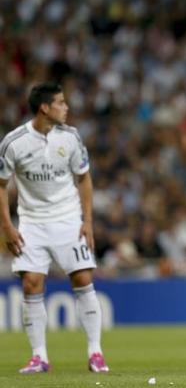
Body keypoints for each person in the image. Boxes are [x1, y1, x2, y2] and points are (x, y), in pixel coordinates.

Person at [0, 83, 109, 373]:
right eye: (60, 103)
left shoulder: (71, 137)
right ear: (44, 108)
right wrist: (7, 226)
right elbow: (1, 185)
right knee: (30, 284)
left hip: (68, 219)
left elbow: (83, 179)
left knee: (84, 278)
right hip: (32, 222)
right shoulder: (14, 142)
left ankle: (96, 353)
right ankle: (39, 357)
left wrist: (87, 221)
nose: (66, 107)